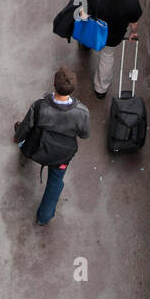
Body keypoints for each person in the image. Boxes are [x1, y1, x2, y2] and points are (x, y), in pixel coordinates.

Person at [14, 67, 89, 226]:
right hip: (62, 156)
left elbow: (27, 126)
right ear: (72, 89)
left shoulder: (40, 106)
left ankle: (23, 148)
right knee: (55, 183)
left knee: (25, 141)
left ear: (54, 85)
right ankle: (43, 217)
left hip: (38, 147)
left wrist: (18, 138)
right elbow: (84, 134)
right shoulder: (82, 112)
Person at [84, 0, 142, 99]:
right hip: (113, 37)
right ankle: (100, 89)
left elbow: (88, 10)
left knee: (88, 38)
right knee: (106, 57)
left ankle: (86, 46)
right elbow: (134, 23)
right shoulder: (132, 2)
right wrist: (133, 33)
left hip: (95, 31)